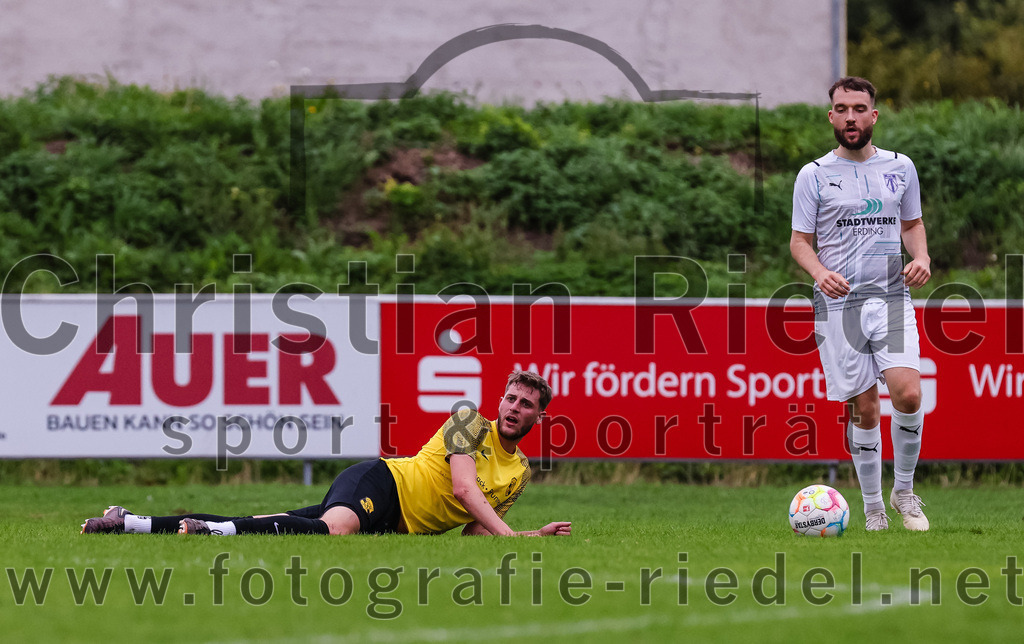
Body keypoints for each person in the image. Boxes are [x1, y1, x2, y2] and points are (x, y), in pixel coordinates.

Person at [81, 370, 572, 538]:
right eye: (510, 398)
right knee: (334, 530)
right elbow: (465, 488)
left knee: (273, 521)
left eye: (526, 404)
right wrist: (512, 537)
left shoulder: (520, 472)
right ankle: (211, 531)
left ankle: (131, 522)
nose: (514, 407)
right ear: (500, 398)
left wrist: (529, 535)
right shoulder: (469, 419)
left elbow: (475, 534)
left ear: (538, 417)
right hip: (383, 484)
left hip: (390, 523)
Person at [790, 76, 931, 532]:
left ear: (874, 115)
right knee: (864, 409)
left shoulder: (900, 167)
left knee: (908, 393)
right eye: (841, 108)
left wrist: (922, 256)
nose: (850, 116)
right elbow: (799, 242)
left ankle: (905, 493)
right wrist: (819, 273)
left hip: (891, 296)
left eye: (858, 108)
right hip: (840, 306)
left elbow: (912, 224)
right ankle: (872, 509)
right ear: (831, 116)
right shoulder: (813, 174)